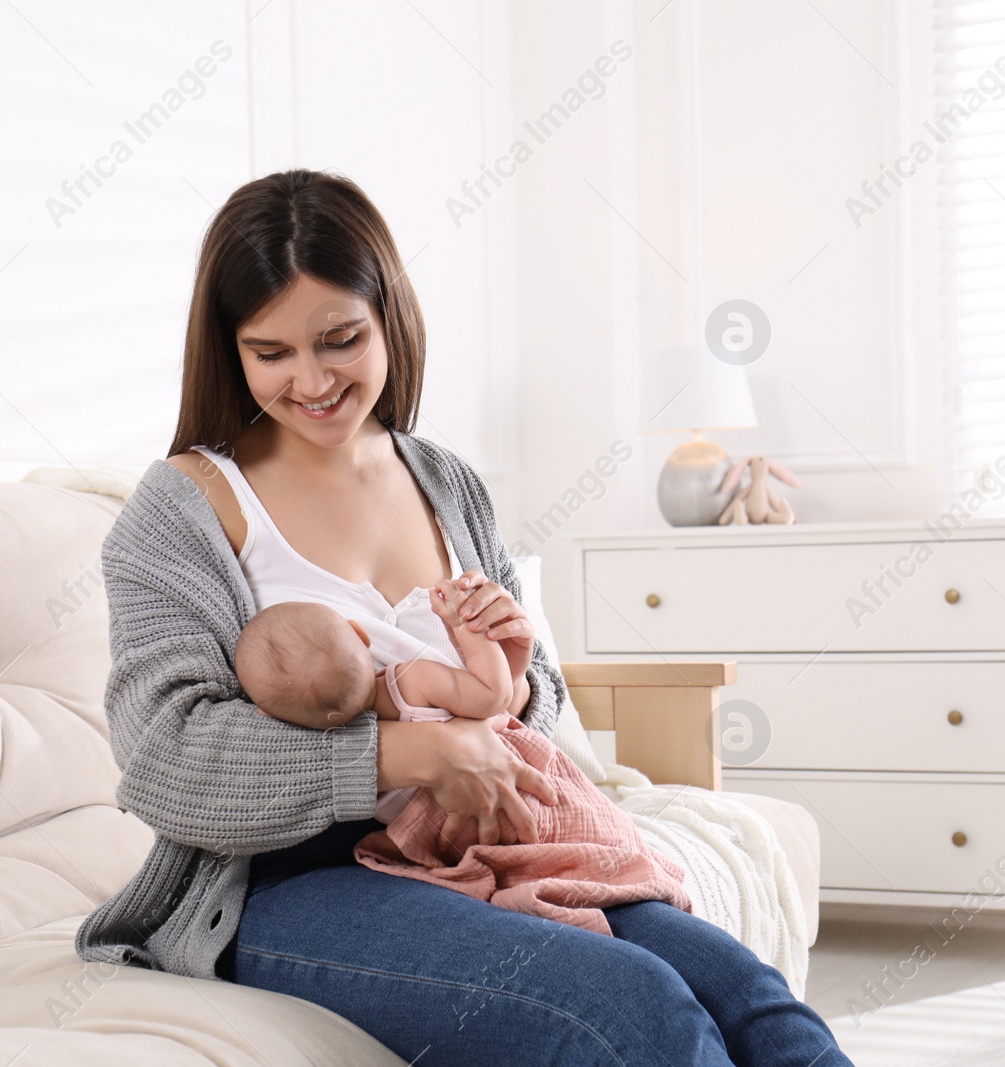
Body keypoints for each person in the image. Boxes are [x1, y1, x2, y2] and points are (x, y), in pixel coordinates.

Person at [75, 167, 854, 1066]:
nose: (313, 379)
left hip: (497, 844)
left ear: (390, 318)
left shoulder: (445, 481)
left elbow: (530, 716)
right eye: (272, 352)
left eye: (340, 339)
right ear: (231, 349)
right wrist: (411, 752)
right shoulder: (182, 510)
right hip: (293, 879)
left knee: (760, 1008)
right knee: (631, 1009)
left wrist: (514, 673)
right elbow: (163, 757)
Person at [232, 588, 692, 934]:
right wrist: (465, 635)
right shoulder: (406, 682)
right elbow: (492, 698)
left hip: (455, 842)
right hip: (519, 799)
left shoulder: (326, 752)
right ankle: (627, 872)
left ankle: (547, 898)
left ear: (268, 715)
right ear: (359, 634)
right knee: (596, 832)